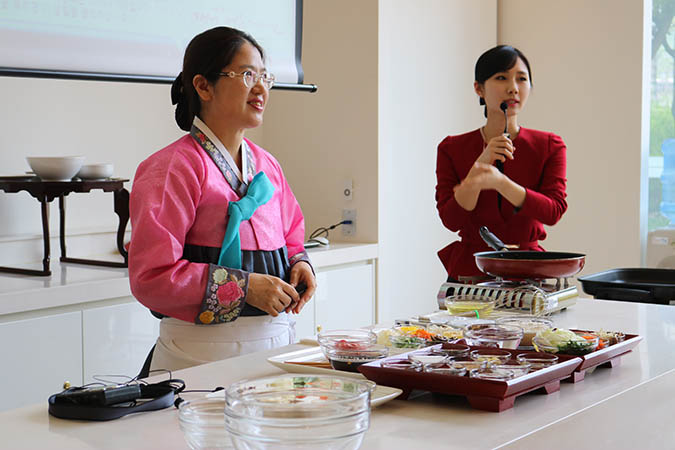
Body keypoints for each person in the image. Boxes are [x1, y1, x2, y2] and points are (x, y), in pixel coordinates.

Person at [128, 26, 316, 373]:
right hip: (198, 353)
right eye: (247, 75)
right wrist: (245, 289)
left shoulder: (267, 165)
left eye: (264, 76)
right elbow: (151, 277)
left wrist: (299, 264)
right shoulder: (170, 168)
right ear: (203, 86)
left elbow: (292, 234)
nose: (261, 88)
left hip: (276, 345)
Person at [435, 45, 568, 281]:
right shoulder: (451, 148)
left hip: (529, 273)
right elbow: (450, 220)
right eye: (501, 78)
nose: (513, 88)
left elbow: (553, 211)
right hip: (470, 272)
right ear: (479, 88)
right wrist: (478, 170)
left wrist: (501, 183)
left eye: (522, 79)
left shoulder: (550, 145)